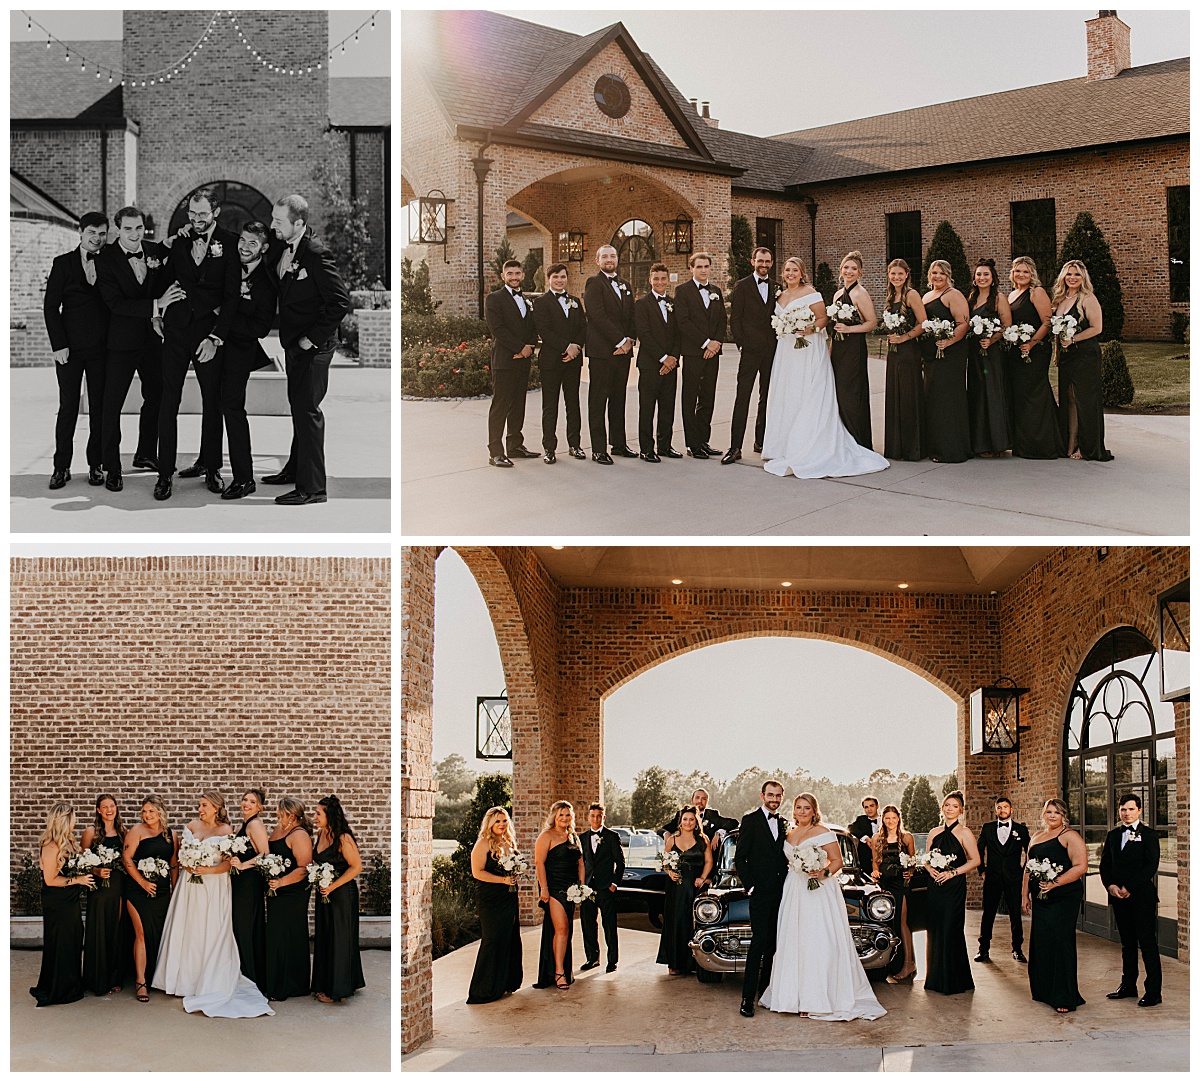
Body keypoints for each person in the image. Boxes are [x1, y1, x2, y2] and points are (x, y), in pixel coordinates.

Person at [760, 792, 886, 1020]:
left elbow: (837, 861)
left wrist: (822, 873)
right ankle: (792, 997)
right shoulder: (789, 834)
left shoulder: (823, 832)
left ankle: (818, 997)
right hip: (794, 889)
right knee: (794, 940)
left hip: (819, 889)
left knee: (817, 939)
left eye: (806, 808)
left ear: (814, 810)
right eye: (798, 807)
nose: (802, 811)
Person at [761, 256, 889, 479]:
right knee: (787, 393)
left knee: (808, 392)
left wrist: (809, 328)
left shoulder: (812, 293)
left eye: (795, 270)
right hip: (786, 351)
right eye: (787, 270)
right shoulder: (780, 295)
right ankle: (782, 443)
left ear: (802, 273)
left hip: (806, 349)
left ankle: (811, 442)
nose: (791, 274)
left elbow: (822, 319)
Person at [153, 186, 240, 500]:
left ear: (215, 212)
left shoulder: (230, 243)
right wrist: (156, 312)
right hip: (175, 332)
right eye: (192, 214)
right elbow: (163, 280)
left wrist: (216, 337)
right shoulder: (179, 241)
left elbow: (231, 298)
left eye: (203, 214)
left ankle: (212, 467)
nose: (197, 219)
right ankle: (164, 474)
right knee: (168, 402)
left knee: (212, 402)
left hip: (208, 335)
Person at [264, 194, 352, 505]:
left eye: (278, 221)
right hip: (294, 344)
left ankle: (313, 488)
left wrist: (311, 339)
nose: (272, 225)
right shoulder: (282, 244)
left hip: (314, 348)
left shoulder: (316, 255)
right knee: (298, 407)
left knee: (309, 411)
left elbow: (340, 302)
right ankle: (293, 469)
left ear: (298, 223)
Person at [152, 791, 273, 1017]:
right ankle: (182, 980)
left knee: (209, 930)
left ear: (216, 808)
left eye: (204, 805)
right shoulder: (191, 825)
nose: (200, 809)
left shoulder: (226, 831)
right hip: (189, 886)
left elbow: (228, 865)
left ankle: (207, 980)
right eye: (199, 805)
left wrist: (207, 870)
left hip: (214, 886)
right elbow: (179, 856)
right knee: (188, 929)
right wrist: (188, 864)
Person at [95, 206, 180, 492]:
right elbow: (114, 303)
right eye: (128, 228)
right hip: (119, 342)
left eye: (139, 228)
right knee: (112, 403)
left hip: (152, 338)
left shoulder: (153, 250)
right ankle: (112, 468)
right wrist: (157, 305)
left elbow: (173, 263)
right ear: (118, 229)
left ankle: (145, 453)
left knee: (156, 394)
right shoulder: (104, 258)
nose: (134, 234)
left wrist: (159, 316)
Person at [43, 211, 110, 490]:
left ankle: (96, 465)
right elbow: (50, 307)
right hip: (68, 350)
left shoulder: (111, 261)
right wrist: (58, 345)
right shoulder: (62, 264)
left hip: (102, 349)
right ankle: (61, 467)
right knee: (68, 407)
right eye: (92, 232)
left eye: (102, 233)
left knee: (99, 409)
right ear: (81, 233)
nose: (97, 238)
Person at [219, 222, 279, 500]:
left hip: (240, 352)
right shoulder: (226, 265)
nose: (244, 246)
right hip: (210, 346)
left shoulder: (267, 283)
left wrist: (229, 313)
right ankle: (209, 464)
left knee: (232, 408)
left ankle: (244, 478)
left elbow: (261, 328)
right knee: (212, 405)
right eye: (243, 240)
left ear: (264, 248)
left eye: (252, 243)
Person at [1022, 798, 1087, 1013]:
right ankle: (1043, 990)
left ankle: (1064, 996)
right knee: (1042, 941)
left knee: (1061, 942)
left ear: (1063, 816)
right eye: (1049, 812)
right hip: (1041, 898)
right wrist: (1025, 895)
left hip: (1064, 897)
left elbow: (1081, 866)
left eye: (1056, 813)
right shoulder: (1037, 836)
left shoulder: (1070, 836)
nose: (1052, 816)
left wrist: (1054, 883)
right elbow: (1028, 869)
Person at [1099, 793, 1162, 1006]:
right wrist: (1111, 886)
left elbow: (1150, 867)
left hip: (1142, 897)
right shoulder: (1114, 835)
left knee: (1147, 943)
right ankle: (1128, 985)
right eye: (1123, 809)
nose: (1126, 813)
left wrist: (1129, 887)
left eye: (1131, 809)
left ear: (1139, 810)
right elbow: (1105, 865)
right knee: (1127, 944)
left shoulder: (1150, 835)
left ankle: (1153, 992)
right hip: (1119, 897)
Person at [733, 778, 788, 1016]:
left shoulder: (786, 823)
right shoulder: (750, 821)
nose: (774, 799)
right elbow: (740, 858)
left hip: (784, 892)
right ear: (762, 795)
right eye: (770, 795)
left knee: (774, 945)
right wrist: (751, 887)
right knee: (758, 942)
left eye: (778, 795)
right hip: (760, 893)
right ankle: (747, 998)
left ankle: (766, 992)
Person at [1051, 259, 1113, 461]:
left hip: (1085, 354)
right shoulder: (1060, 298)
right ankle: (1070, 443)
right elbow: (1057, 330)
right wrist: (1057, 351)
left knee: (1084, 400)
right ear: (1063, 276)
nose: (1072, 278)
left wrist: (1074, 339)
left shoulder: (1087, 298)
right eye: (1069, 274)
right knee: (1068, 398)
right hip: (1067, 356)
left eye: (1077, 274)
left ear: (1083, 277)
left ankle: (1086, 447)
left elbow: (1097, 328)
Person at [30, 803, 92, 1007]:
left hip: (70, 899)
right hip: (57, 902)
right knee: (62, 941)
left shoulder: (69, 843)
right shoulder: (50, 846)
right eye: (73, 818)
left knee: (74, 937)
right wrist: (78, 880)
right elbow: (50, 880)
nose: (75, 821)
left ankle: (71, 982)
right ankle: (60, 988)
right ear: (64, 820)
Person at [583, 245, 637, 464]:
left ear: (617, 259)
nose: (609, 259)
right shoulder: (594, 283)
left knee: (618, 398)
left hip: (623, 353)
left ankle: (619, 444)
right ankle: (598, 449)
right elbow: (597, 315)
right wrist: (619, 340)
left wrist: (630, 340)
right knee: (598, 400)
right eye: (604, 256)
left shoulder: (625, 285)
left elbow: (632, 314)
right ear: (597, 261)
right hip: (602, 352)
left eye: (612, 256)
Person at [483, 258, 540, 467]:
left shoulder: (527, 300)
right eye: (510, 274)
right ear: (503, 277)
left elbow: (533, 327)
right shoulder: (494, 299)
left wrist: (529, 347)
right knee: (500, 405)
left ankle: (515, 446)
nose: (514, 277)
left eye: (517, 273)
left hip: (522, 361)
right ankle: (495, 452)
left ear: (522, 275)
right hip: (505, 360)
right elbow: (497, 329)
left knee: (518, 404)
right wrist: (519, 348)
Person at [1005, 257, 1064, 459]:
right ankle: (1023, 444)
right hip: (1016, 352)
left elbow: (1048, 322)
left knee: (1034, 395)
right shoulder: (1012, 294)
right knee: (1020, 396)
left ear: (1032, 274)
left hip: (1036, 351)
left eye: (1025, 272)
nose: (1021, 275)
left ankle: (1043, 445)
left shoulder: (1036, 292)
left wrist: (1031, 343)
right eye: (1017, 271)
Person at [723, 246, 777, 463]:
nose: (764, 265)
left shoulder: (777, 287)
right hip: (750, 351)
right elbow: (735, 319)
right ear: (752, 261)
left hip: (772, 351)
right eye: (760, 261)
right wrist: (742, 345)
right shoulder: (742, 286)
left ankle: (761, 441)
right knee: (742, 398)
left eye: (767, 261)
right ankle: (735, 447)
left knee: (767, 398)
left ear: (771, 263)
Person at [122, 795, 178, 1003]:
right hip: (138, 892)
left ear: (160, 812)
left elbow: (173, 864)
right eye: (144, 811)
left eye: (151, 811)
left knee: (159, 934)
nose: (147, 815)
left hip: (162, 893)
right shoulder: (136, 831)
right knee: (142, 934)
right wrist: (142, 882)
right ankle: (140, 982)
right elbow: (126, 858)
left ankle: (157, 977)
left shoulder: (171, 834)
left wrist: (174, 890)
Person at [311, 795, 366, 1003]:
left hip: (342, 893)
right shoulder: (321, 834)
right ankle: (329, 982)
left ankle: (338, 991)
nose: (315, 817)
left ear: (329, 815)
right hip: (325, 893)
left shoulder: (343, 838)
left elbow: (356, 867)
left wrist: (332, 885)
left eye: (318, 813)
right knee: (325, 935)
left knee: (339, 938)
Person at [924, 790, 979, 994]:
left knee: (950, 929)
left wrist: (952, 873)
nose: (950, 809)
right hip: (934, 887)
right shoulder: (933, 832)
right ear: (942, 807)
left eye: (954, 806)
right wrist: (930, 870)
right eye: (947, 805)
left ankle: (954, 980)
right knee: (936, 929)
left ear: (961, 810)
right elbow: (927, 859)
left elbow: (976, 860)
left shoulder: (965, 833)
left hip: (953, 887)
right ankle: (935, 979)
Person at [466, 806, 523, 1003]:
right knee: (492, 939)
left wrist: (514, 876)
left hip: (509, 897)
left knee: (508, 938)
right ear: (489, 823)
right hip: (490, 899)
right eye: (497, 821)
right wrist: (503, 881)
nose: (501, 824)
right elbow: (477, 872)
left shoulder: (509, 842)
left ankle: (505, 983)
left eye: (504, 820)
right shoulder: (483, 843)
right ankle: (483, 990)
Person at [532, 262, 586, 463]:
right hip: (551, 361)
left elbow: (583, 327)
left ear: (567, 279)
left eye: (563, 276)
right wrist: (566, 347)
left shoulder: (575, 301)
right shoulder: (541, 303)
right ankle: (549, 448)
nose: (559, 280)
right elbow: (544, 331)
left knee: (573, 404)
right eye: (555, 277)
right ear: (548, 279)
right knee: (550, 406)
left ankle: (575, 445)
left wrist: (576, 347)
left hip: (573, 361)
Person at [673, 251, 725, 458]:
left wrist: (716, 344)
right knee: (690, 396)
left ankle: (704, 440)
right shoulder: (682, 291)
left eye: (706, 266)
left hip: (713, 353)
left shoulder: (716, 291)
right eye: (699, 266)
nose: (703, 270)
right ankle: (692, 444)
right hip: (694, 352)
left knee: (708, 397)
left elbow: (722, 320)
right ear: (691, 268)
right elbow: (683, 322)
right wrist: (705, 343)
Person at [262, 796, 314, 1000]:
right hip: (276, 889)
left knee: (287, 935)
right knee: (275, 935)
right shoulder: (278, 829)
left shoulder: (299, 835)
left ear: (291, 815)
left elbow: (305, 868)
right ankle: (274, 981)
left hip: (293, 892)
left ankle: (289, 985)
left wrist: (282, 882)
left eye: (279, 812)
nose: (276, 815)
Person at [921, 260, 971, 463]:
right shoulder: (926, 295)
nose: (937, 276)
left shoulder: (953, 295)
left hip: (950, 354)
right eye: (934, 273)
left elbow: (963, 323)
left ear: (949, 275)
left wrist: (948, 342)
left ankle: (951, 449)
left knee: (947, 399)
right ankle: (934, 445)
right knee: (933, 398)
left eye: (941, 273)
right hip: (932, 354)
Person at [533, 799, 585, 989]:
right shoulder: (546, 835)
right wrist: (544, 889)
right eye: (561, 814)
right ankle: (558, 972)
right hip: (554, 888)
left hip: (572, 890)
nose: (564, 818)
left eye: (567, 815)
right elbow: (539, 864)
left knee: (566, 930)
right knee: (561, 929)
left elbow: (581, 863)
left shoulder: (573, 836)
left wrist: (581, 887)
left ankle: (561, 967)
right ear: (554, 816)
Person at [80, 793, 129, 996]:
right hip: (99, 889)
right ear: (98, 810)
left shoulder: (123, 832)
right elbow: (81, 863)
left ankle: (114, 978)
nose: (109, 810)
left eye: (112, 806)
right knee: (99, 931)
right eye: (105, 807)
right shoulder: (91, 832)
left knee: (115, 931)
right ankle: (97, 980)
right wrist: (96, 871)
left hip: (118, 887)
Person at [633, 262, 682, 462]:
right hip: (650, 364)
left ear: (668, 280)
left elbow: (679, 334)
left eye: (663, 278)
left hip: (671, 365)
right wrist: (663, 358)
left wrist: (673, 358)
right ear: (650, 280)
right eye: (656, 278)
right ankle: (646, 449)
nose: (660, 282)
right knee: (647, 408)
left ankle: (665, 446)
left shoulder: (674, 303)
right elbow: (644, 334)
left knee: (667, 407)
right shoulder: (642, 304)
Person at [828, 251, 878, 448]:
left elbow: (872, 323)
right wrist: (830, 353)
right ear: (841, 270)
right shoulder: (838, 294)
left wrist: (850, 329)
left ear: (860, 272)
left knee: (852, 393)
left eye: (853, 269)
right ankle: (842, 439)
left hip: (854, 349)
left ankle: (858, 441)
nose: (849, 271)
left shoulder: (860, 293)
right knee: (839, 392)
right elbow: (834, 327)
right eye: (846, 267)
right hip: (839, 348)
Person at [656, 805, 712, 975]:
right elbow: (664, 862)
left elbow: (709, 861)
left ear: (696, 822)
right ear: (680, 821)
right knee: (676, 921)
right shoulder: (672, 840)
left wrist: (702, 877)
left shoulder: (703, 839)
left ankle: (694, 963)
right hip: (676, 888)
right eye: (685, 819)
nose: (688, 822)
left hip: (695, 887)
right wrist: (669, 872)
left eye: (692, 819)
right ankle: (674, 962)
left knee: (693, 922)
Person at [881, 258, 928, 461]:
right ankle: (896, 447)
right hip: (894, 353)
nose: (896, 277)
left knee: (909, 396)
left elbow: (924, 323)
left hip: (909, 351)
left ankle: (912, 447)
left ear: (907, 275)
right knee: (895, 394)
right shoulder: (891, 296)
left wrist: (903, 338)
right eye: (893, 274)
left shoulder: (912, 295)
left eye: (900, 274)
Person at [965, 258, 1012, 457]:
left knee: (992, 392)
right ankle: (980, 443)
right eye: (979, 275)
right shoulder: (971, 299)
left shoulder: (999, 298)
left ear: (993, 278)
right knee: (977, 393)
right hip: (974, 353)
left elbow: (1007, 325)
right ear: (974, 279)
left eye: (986, 274)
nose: (982, 278)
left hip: (992, 353)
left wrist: (992, 339)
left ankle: (996, 443)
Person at [975, 796, 1029, 963]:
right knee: (988, 914)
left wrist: (1023, 871)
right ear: (995, 810)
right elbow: (979, 849)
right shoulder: (988, 828)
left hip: (1014, 879)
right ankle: (983, 950)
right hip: (992, 878)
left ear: (1011, 810)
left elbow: (1030, 851)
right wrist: (982, 870)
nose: (1002, 810)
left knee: (1015, 914)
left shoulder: (1021, 829)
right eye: (999, 807)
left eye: (1005, 807)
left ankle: (1017, 949)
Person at [228, 788, 271, 990]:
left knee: (245, 928)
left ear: (259, 807)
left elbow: (265, 854)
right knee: (240, 927)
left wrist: (243, 866)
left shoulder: (255, 825)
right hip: (240, 882)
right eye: (245, 799)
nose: (246, 804)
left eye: (252, 802)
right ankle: (244, 973)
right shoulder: (243, 824)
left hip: (249, 883)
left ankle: (251, 978)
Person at [870, 804, 918, 981]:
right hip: (884, 885)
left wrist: (910, 872)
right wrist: (875, 871)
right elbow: (875, 862)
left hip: (900, 884)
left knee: (902, 922)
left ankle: (908, 963)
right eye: (887, 818)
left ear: (899, 818)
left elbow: (912, 861)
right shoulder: (877, 838)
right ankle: (889, 965)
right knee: (887, 923)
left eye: (893, 818)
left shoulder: (907, 838)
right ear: (883, 819)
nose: (890, 821)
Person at [579, 802, 625, 973]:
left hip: (607, 888)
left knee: (609, 925)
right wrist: (581, 885)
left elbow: (620, 862)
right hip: (588, 889)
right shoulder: (582, 838)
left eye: (599, 816)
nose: (596, 819)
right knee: (588, 925)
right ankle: (592, 958)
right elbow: (581, 863)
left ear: (603, 817)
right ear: (588, 817)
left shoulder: (612, 836)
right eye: (593, 816)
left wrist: (614, 883)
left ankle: (612, 960)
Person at [660, 788, 737, 851]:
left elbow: (733, 822)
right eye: (697, 798)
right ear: (691, 799)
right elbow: (661, 830)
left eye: (704, 799)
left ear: (707, 802)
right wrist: (666, 834)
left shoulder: (713, 815)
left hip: (710, 860)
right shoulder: (682, 815)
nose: (700, 801)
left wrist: (718, 833)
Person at [848, 795, 883, 871]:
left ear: (877, 806)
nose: (869, 809)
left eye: (871, 806)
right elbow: (851, 827)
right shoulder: (861, 820)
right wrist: (866, 838)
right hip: (866, 862)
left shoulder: (884, 820)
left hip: (884, 860)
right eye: (866, 807)